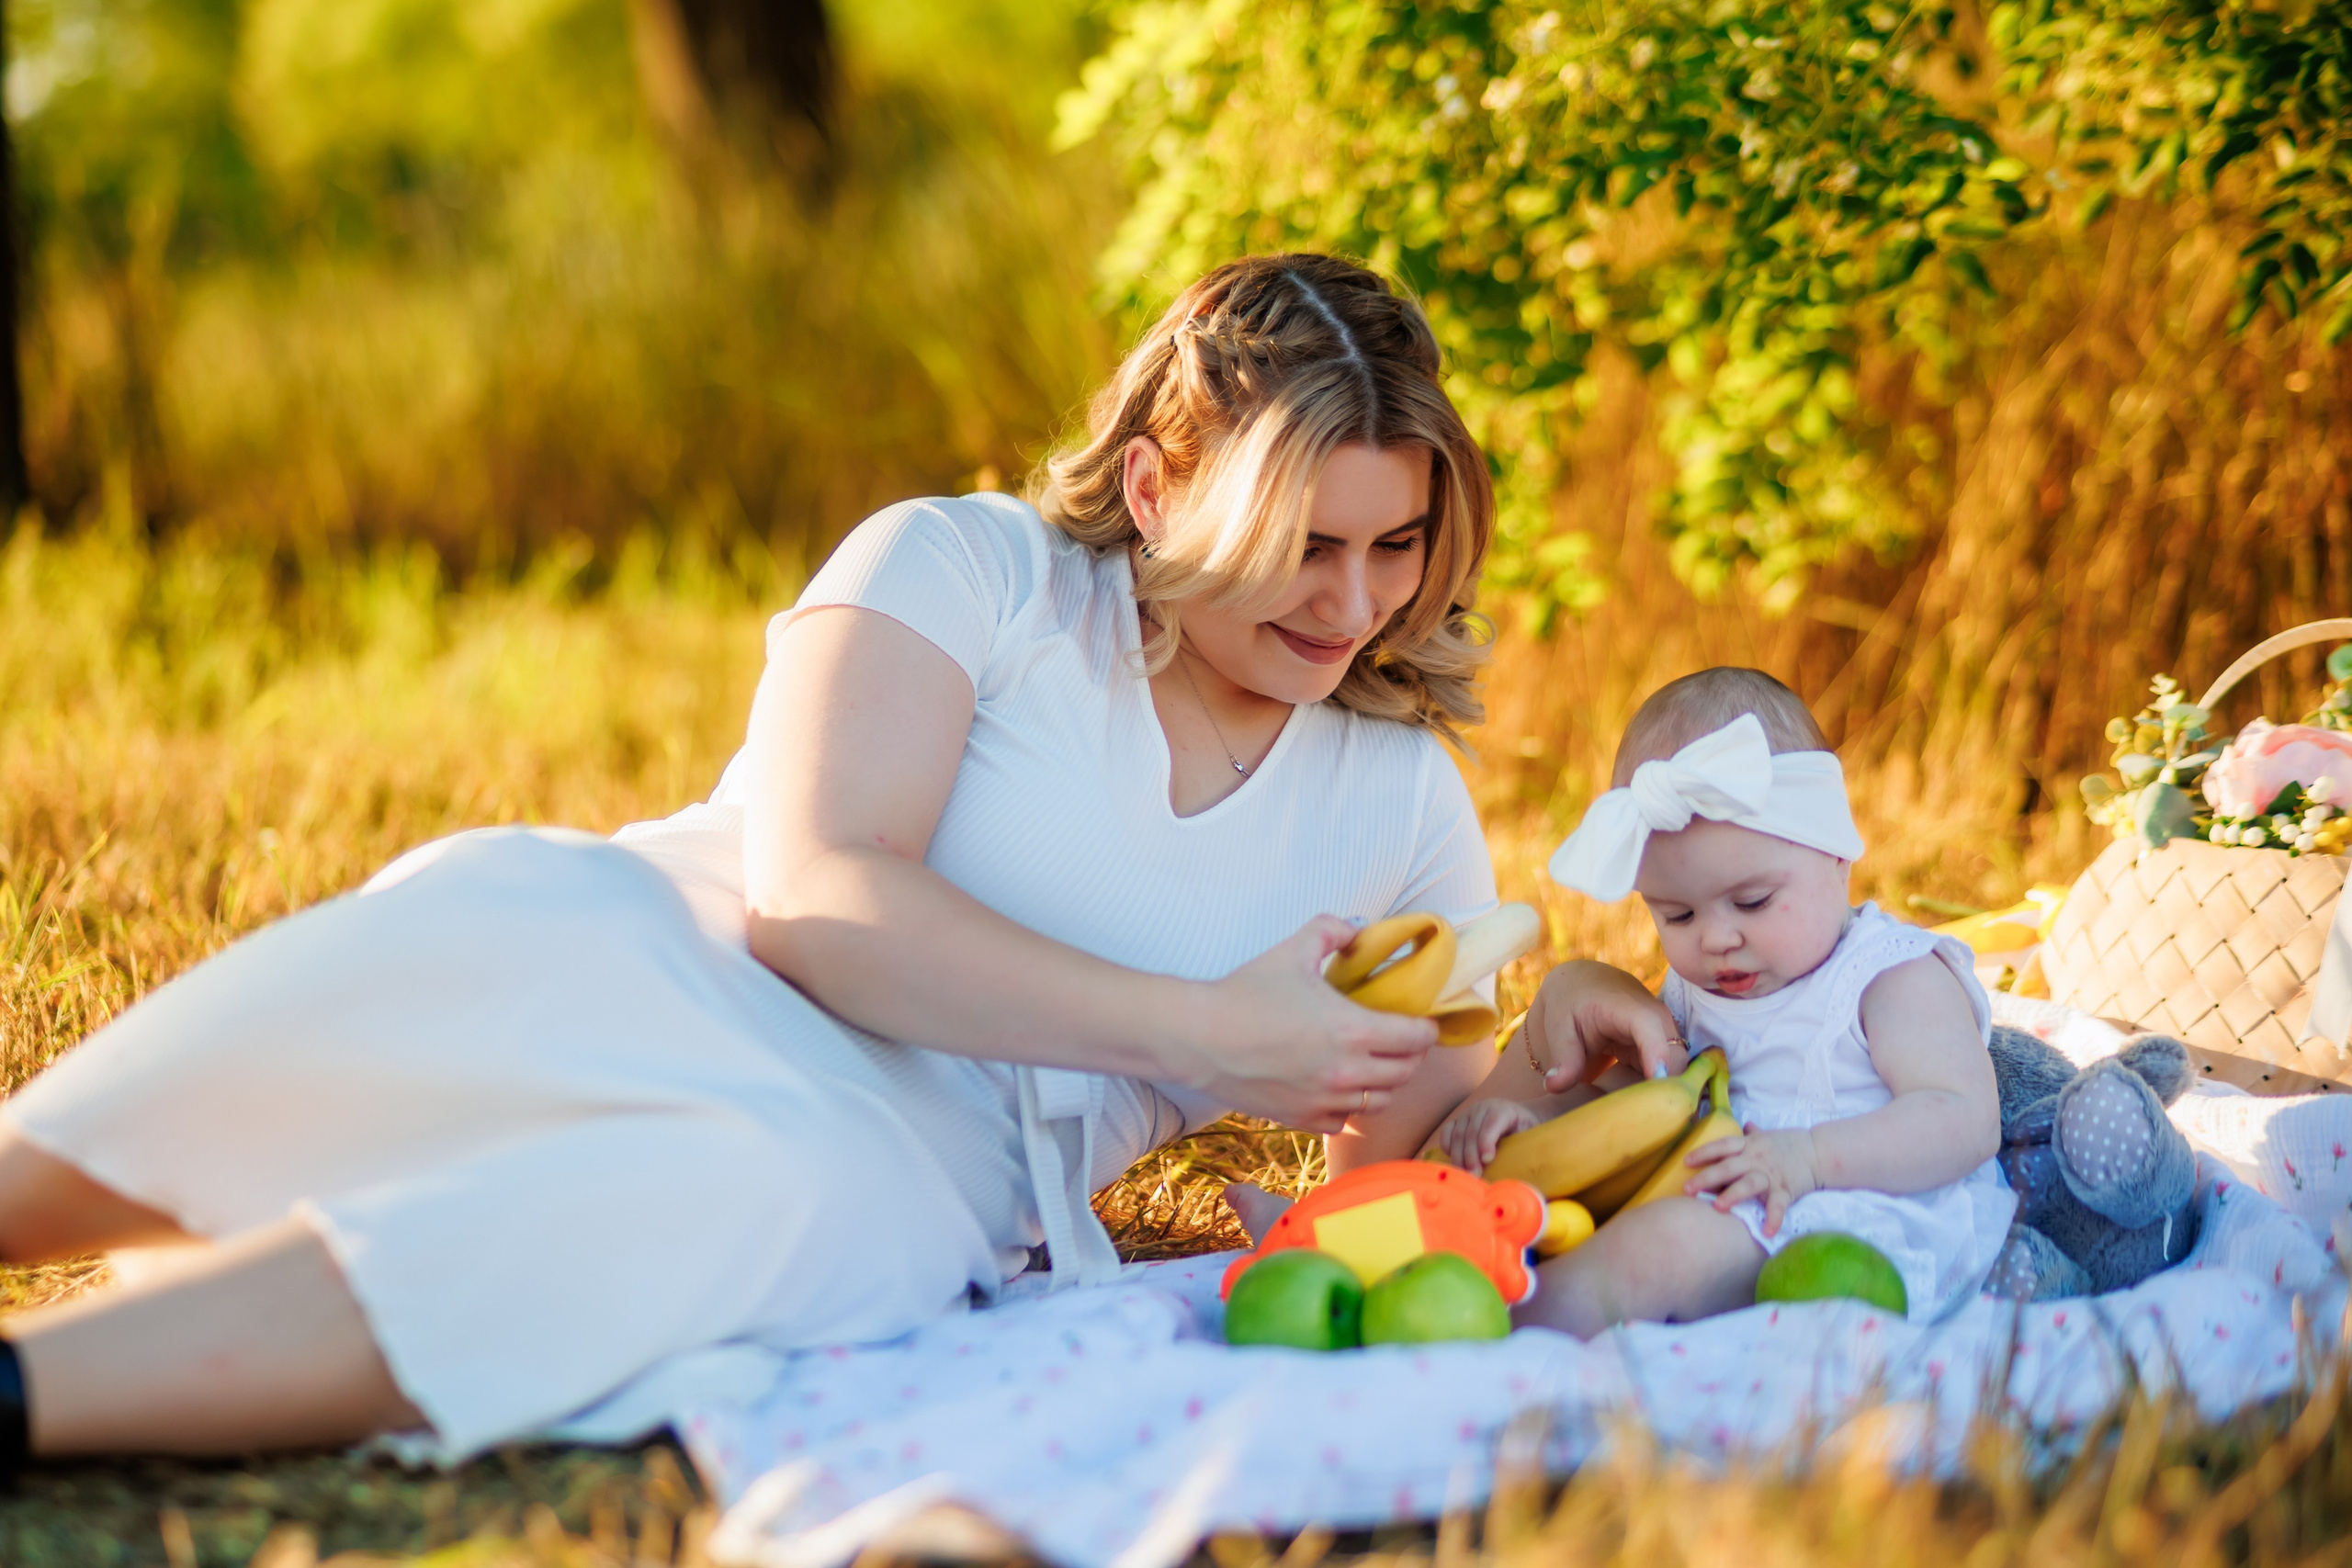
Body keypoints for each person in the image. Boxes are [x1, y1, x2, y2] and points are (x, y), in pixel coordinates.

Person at [0, 254, 1677, 1467]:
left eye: (1396, 547)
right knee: (490, 949)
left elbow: (1375, 1184)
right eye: (1303, 543)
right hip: (675, 938)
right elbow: (818, 895)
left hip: (919, 1166)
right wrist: (1198, 1029)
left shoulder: (1395, 802)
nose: (1355, 602)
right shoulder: (970, 570)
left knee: (747, 1202)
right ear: (1160, 490)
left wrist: (1535, 1053)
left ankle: (36, 1399)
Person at [1435, 668, 2011, 1334]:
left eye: (1753, 901)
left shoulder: (1888, 976)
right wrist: (1535, 1120)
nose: (1716, 938)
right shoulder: (1698, 989)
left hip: (1861, 1220)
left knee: (1656, 1248)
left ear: (1837, 857)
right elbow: (1637, 1100)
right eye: (1676, 915)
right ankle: (1469, 1305)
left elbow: (1963, 1118)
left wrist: (1811, 1157)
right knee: (1559, 1218)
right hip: (1725, 1205)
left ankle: (1506, 1349)